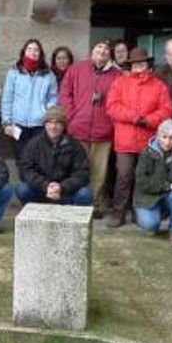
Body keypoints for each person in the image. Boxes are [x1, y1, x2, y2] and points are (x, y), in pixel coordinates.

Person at [106, 47, 172, 228]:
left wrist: (149, 120)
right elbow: (112, 107)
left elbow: (166, 110)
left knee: (144, 177)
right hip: (125, 141)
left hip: (149, 140)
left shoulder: (159, 86)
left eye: (142, 63)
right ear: (130, 65)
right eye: (135, 64)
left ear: (148, 65)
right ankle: (118, 213)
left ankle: (140, 212)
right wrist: (134, 117)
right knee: (124, 177)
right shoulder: (120, 83)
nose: (139, 67)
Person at [58, 39, 121, 218]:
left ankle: (94, 204)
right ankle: (75, 201)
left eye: (106, 49)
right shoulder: (77, 68)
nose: (102, 50)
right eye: (99, 47)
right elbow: (65, 93)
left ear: (109, 54)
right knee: (75, 169)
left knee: (99, 172)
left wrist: (112, 122)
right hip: (78, 129)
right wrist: (71, 117)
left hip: (103, 132)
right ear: (92, 50)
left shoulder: (117, 75)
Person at [133, 119, 172, 247]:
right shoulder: (147, 153)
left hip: (169, 196)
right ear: (158, 135)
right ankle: (151, 214)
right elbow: (142, 182)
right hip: (148, 198)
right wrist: (167, 186)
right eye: (164, 137)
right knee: (151, 225)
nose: (167, 141)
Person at [16, 105, 92, 206]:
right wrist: (45, 185)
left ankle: (72, 216)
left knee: (85, 194)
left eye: (57, 123)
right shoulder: (34, 144)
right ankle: (37, 213)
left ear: (64, 126)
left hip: (66, 192)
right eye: (50, 122)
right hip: (42, 191)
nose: (53, 127)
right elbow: (26, 170)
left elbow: (82, 173)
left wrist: (62, 187)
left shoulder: (75, 146)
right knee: (22, 189)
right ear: (45, 124)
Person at [1, 39, 58, 160]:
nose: (33, 52)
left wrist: (46, 112)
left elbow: (53, 97)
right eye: (29, 49)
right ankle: (23, 180)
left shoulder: (48, 74)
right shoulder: (14, 72)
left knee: (39, 159)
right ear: (24, 52)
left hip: (39, 125)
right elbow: (7, 99)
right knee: (21, 159)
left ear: (40, 54)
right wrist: (6, 122)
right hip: (18, 124)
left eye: (36, 49)